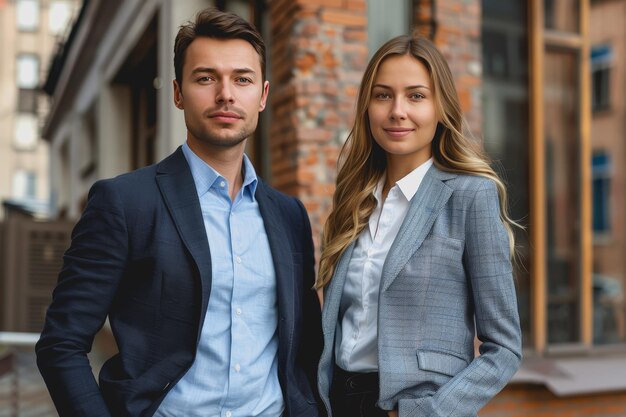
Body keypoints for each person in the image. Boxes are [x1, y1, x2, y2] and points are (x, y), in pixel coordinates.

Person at [36, 7, 322, 417]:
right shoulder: (125, 202)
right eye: (206, 78)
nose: (226, 93)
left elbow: (303, 346)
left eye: (242, 79)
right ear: (177, 92)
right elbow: (61, 343)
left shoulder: (289, 215)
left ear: (262, 96)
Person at [315, 35, 522, 417]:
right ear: (367, 107)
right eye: (382, 96)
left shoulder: (470, 196)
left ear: (441, 107)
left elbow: (504, 349)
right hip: (338, 403)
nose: (397, 111)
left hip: (413, 407)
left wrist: (428, 413)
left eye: (416, 96)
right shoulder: (353, 201)